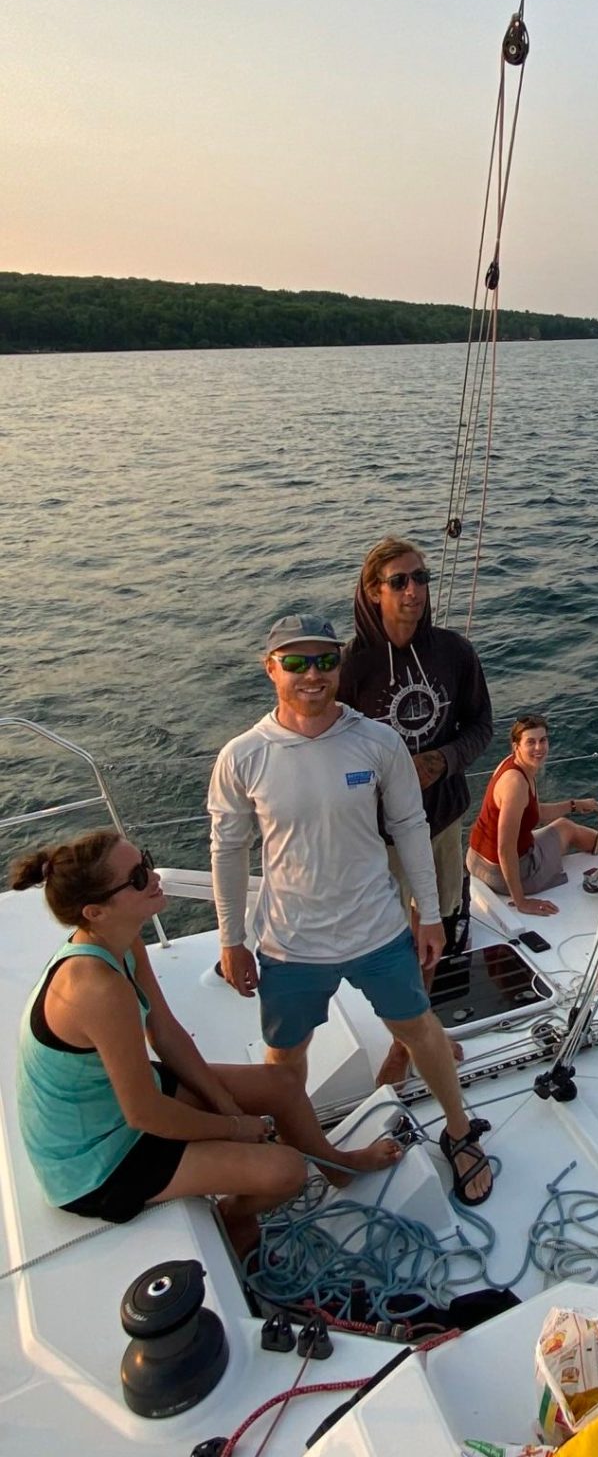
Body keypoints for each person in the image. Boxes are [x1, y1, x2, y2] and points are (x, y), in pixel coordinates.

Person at [209, 614, 493, 1206]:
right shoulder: (243, 757)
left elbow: (411, 826)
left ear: (340, 666)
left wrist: (431, 916)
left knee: (420, 1031)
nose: (312, 674)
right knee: (285, 1061)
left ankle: (460, 1131)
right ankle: (318, 1154)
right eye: (295, 662)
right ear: (271, 669)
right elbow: (229, 850)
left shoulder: (377, 740)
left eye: (325, 661)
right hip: (290, 943)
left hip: (379, 931)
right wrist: (231, 938)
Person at [12, 831, 401, 1252]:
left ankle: (337, 1166)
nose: (154, 876)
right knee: (287, 1171)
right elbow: (143, 1113)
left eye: (146, 859)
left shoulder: (120, 942)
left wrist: (226, 1104)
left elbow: (164, 1033)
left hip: (111, 1106)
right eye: (138, 877)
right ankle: (232, 1218)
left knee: (281, 1084)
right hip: (97, 1162)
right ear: (96, 911)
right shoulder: (96, 989)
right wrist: (233, 1127)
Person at [338, 536, 493, 950]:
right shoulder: (349, 667)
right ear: (374, 591)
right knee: (390, 935)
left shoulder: (455, 652)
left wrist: (443, 760)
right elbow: (330, 751)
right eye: (399, 581)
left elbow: (481, 725)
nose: (414, 591)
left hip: (442, 820)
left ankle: (430, 1000)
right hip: (378, 833)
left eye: (421, 578)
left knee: (438, 925)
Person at [467, 714, 598, 917]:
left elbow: (532, 812)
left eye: (543, 740)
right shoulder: (516, 783)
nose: (539, 748)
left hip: (476, 861)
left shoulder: (513, 765)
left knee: (564, 825)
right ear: (516, 746)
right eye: (531, 742)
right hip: (500, 874)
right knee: (567, 829)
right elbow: (505, 848)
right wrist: (521, 901)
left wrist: (574, 805)